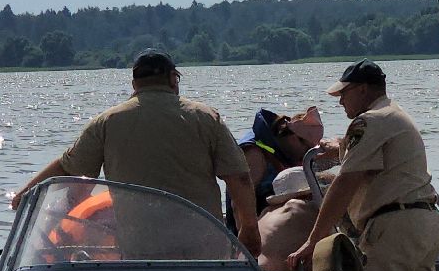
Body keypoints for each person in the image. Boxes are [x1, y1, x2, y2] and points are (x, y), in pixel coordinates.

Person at [13, 50, 261, 257]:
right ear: (173, 80)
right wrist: (249, 227)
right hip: (203, 251)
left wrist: (24, 195)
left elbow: (68, 170)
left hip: (141, 253)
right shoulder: (206, 118)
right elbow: (238, 178)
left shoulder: (107, 122)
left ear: (134, 85)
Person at [287, 59, 439, 271]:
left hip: (394, 229)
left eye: (344, 93)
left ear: (362, 89)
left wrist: (313, 240)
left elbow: (345, 183)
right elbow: (380, 153)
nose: (340, 101)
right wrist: (341, 146)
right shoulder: (393, 113)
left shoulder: (368, 121)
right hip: (427, 222)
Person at [236, 105, 324, 217]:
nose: (306, 156)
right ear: (294, 137)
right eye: (307, 149)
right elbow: (238, 202)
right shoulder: (255, 154)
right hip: (250, 226)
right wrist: (249, 231)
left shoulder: (284, 151)